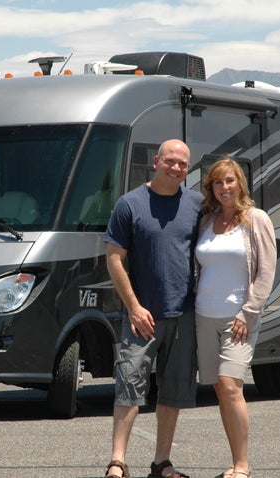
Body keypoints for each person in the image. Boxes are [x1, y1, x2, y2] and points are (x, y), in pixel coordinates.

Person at [104, 139, 203, 478]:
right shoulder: (130, 204)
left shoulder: (196, 205)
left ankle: (162, 463)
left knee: (173, 391)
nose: (175, 168)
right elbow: (114, 259)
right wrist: (133, 306)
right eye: (170, 161)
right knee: (129, 385)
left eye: (183, 164)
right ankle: (117, 461)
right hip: (141, 317)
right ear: (156, 161)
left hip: (184, 314)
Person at [194, 158, 276, 478]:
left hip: (238, 317)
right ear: (211, 188)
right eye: (218, 182)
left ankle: (243, 465)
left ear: (240, 183)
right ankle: (234, 460)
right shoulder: (207, 221)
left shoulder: (256, 219)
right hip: (204, 315)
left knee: (231, 386)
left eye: (230, 181)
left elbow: (266, 271)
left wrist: (249, 311)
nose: (224, 187)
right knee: (219, 390)